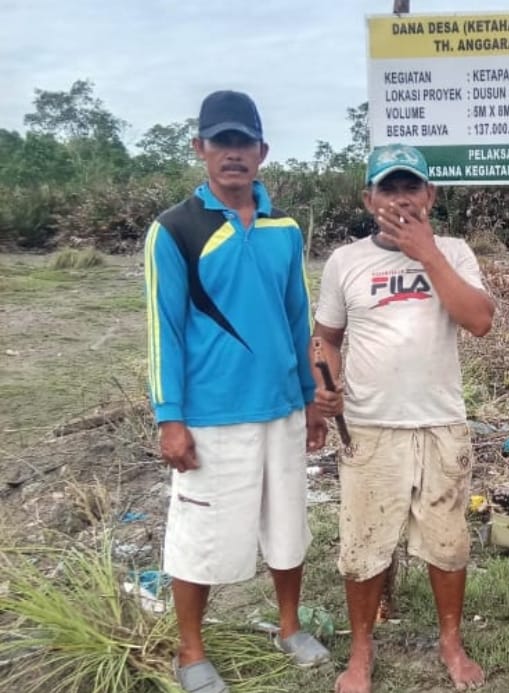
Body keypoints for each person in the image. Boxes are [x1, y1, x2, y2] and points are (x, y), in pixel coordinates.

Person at [144, 90, 331, 693]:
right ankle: (191, 652)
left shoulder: (284, 229)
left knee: (287, 526)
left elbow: (298, 319)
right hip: (211, 415)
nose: (233, 153)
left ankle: (289, 626)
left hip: (282, 409)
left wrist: (311, 397)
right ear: (199, 148)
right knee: (199, 535)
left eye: (243, 142)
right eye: (221, 142)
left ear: (262, 151)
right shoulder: (174, 230)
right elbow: (164, 331)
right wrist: (170, 418)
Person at [310, 144, 494, 693]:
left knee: (448, 543)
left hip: (441, 423)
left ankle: (451, 643)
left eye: (410, 187)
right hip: (369, 428)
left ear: (430, 195)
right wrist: (325, 387)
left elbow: (480, 321)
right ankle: (361, 652)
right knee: (363, 547)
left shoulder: (454, 252)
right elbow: (327, 338)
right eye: (387, 189)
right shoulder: (346, 262)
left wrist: (426, 253)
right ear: (368, 199)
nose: (400, 199)